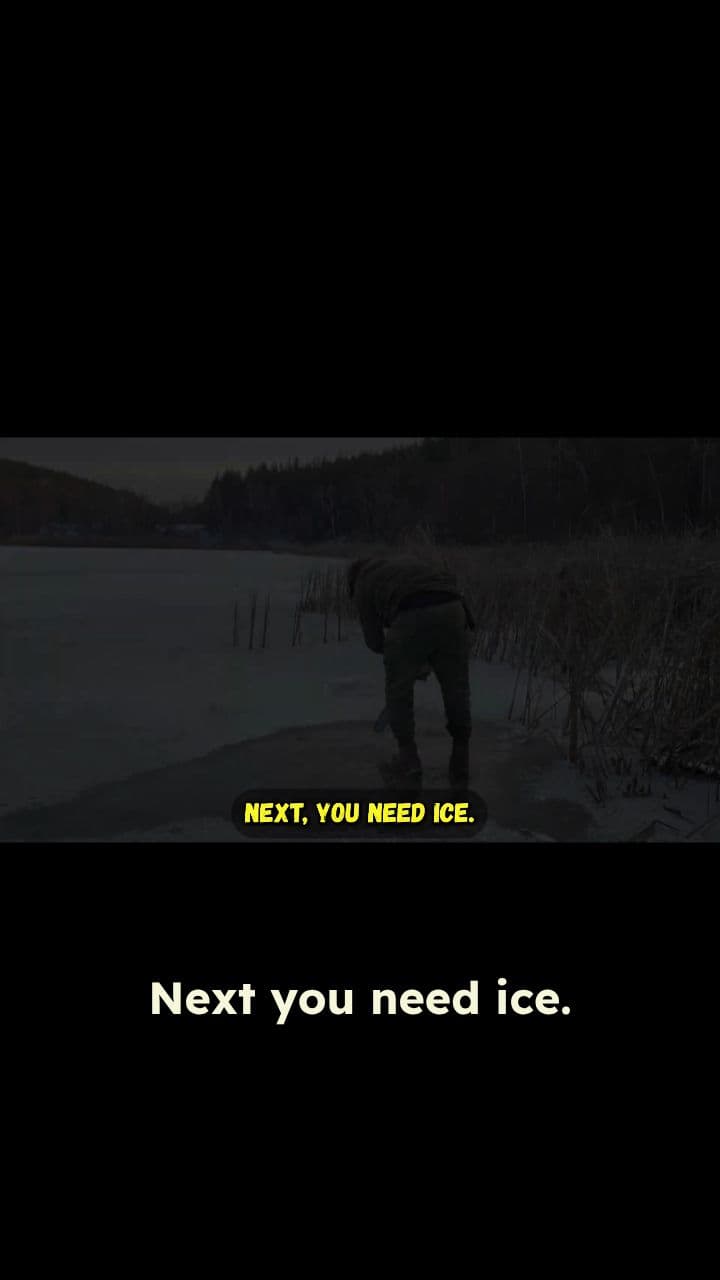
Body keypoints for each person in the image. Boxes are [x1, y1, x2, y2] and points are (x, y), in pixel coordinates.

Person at [347, 554, 475, 785]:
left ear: (352, 581)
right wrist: (422, 657)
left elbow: (374, 641)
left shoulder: (363, 581)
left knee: (399, 691)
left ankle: (408, 759)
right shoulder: (401, 566)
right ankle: (461, 757)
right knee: (456, 687)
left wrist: (406, 661)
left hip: (412, 613)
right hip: (454, 609)